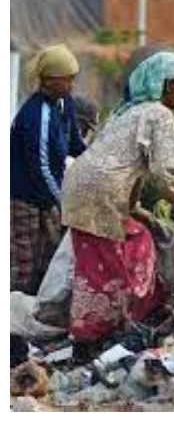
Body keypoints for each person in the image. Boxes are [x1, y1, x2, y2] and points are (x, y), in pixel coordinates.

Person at [61, 51, 174, 352]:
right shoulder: (159, 114)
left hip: (81, 189)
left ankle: (136, 313)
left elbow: (131, 163)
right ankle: (92, 338)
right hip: (100, 195)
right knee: (104, 271)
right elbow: (164, 174)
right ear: (161, 84)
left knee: (136, 241)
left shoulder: (128, 111)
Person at [10, 44, 86, 294]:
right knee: (23, 264)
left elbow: (76, 145)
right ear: (50, 81)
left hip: (46, 193)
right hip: (23, 197)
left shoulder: (65, 104)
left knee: (48, 258)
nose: (72, 85)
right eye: (67, 80)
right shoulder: (36, 115)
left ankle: (32, 313)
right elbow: (40, 168)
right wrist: (61, 202)